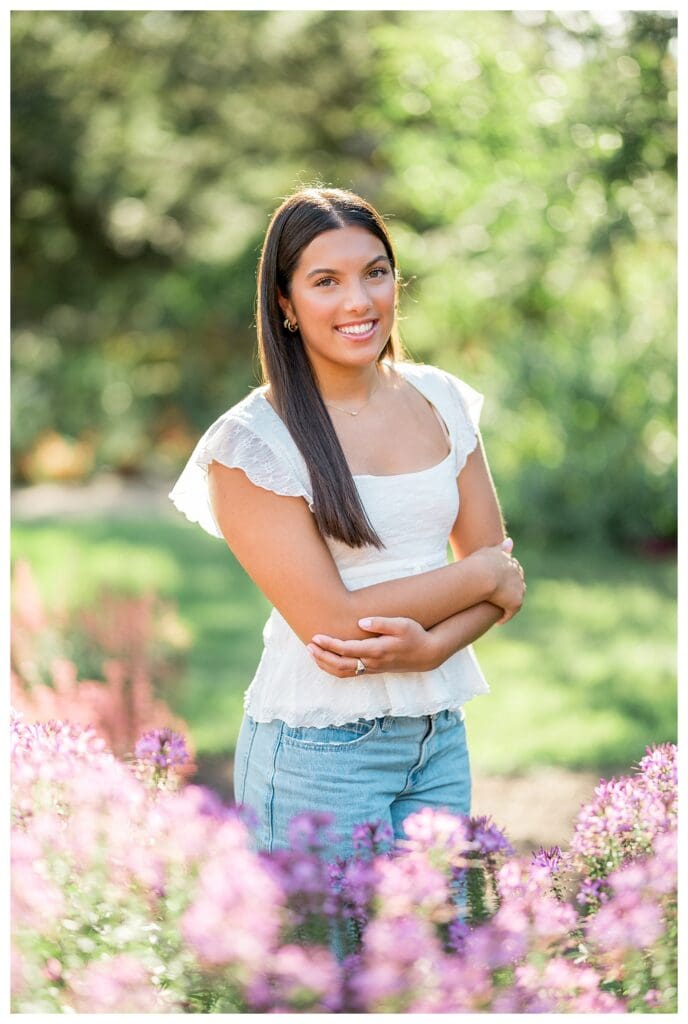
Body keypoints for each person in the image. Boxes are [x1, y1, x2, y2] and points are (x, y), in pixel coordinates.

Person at [169, 186, 525, 866]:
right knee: (329, 940)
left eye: (375, 272)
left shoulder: (442, 398)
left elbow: (503, 586)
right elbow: (332, 622)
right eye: (326, 281)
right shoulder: (252, 443)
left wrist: (432, 648)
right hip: (319, 748)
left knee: (438, 936)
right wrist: (481, 576)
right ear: (285, 303)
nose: (359, 301)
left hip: (438, 736)